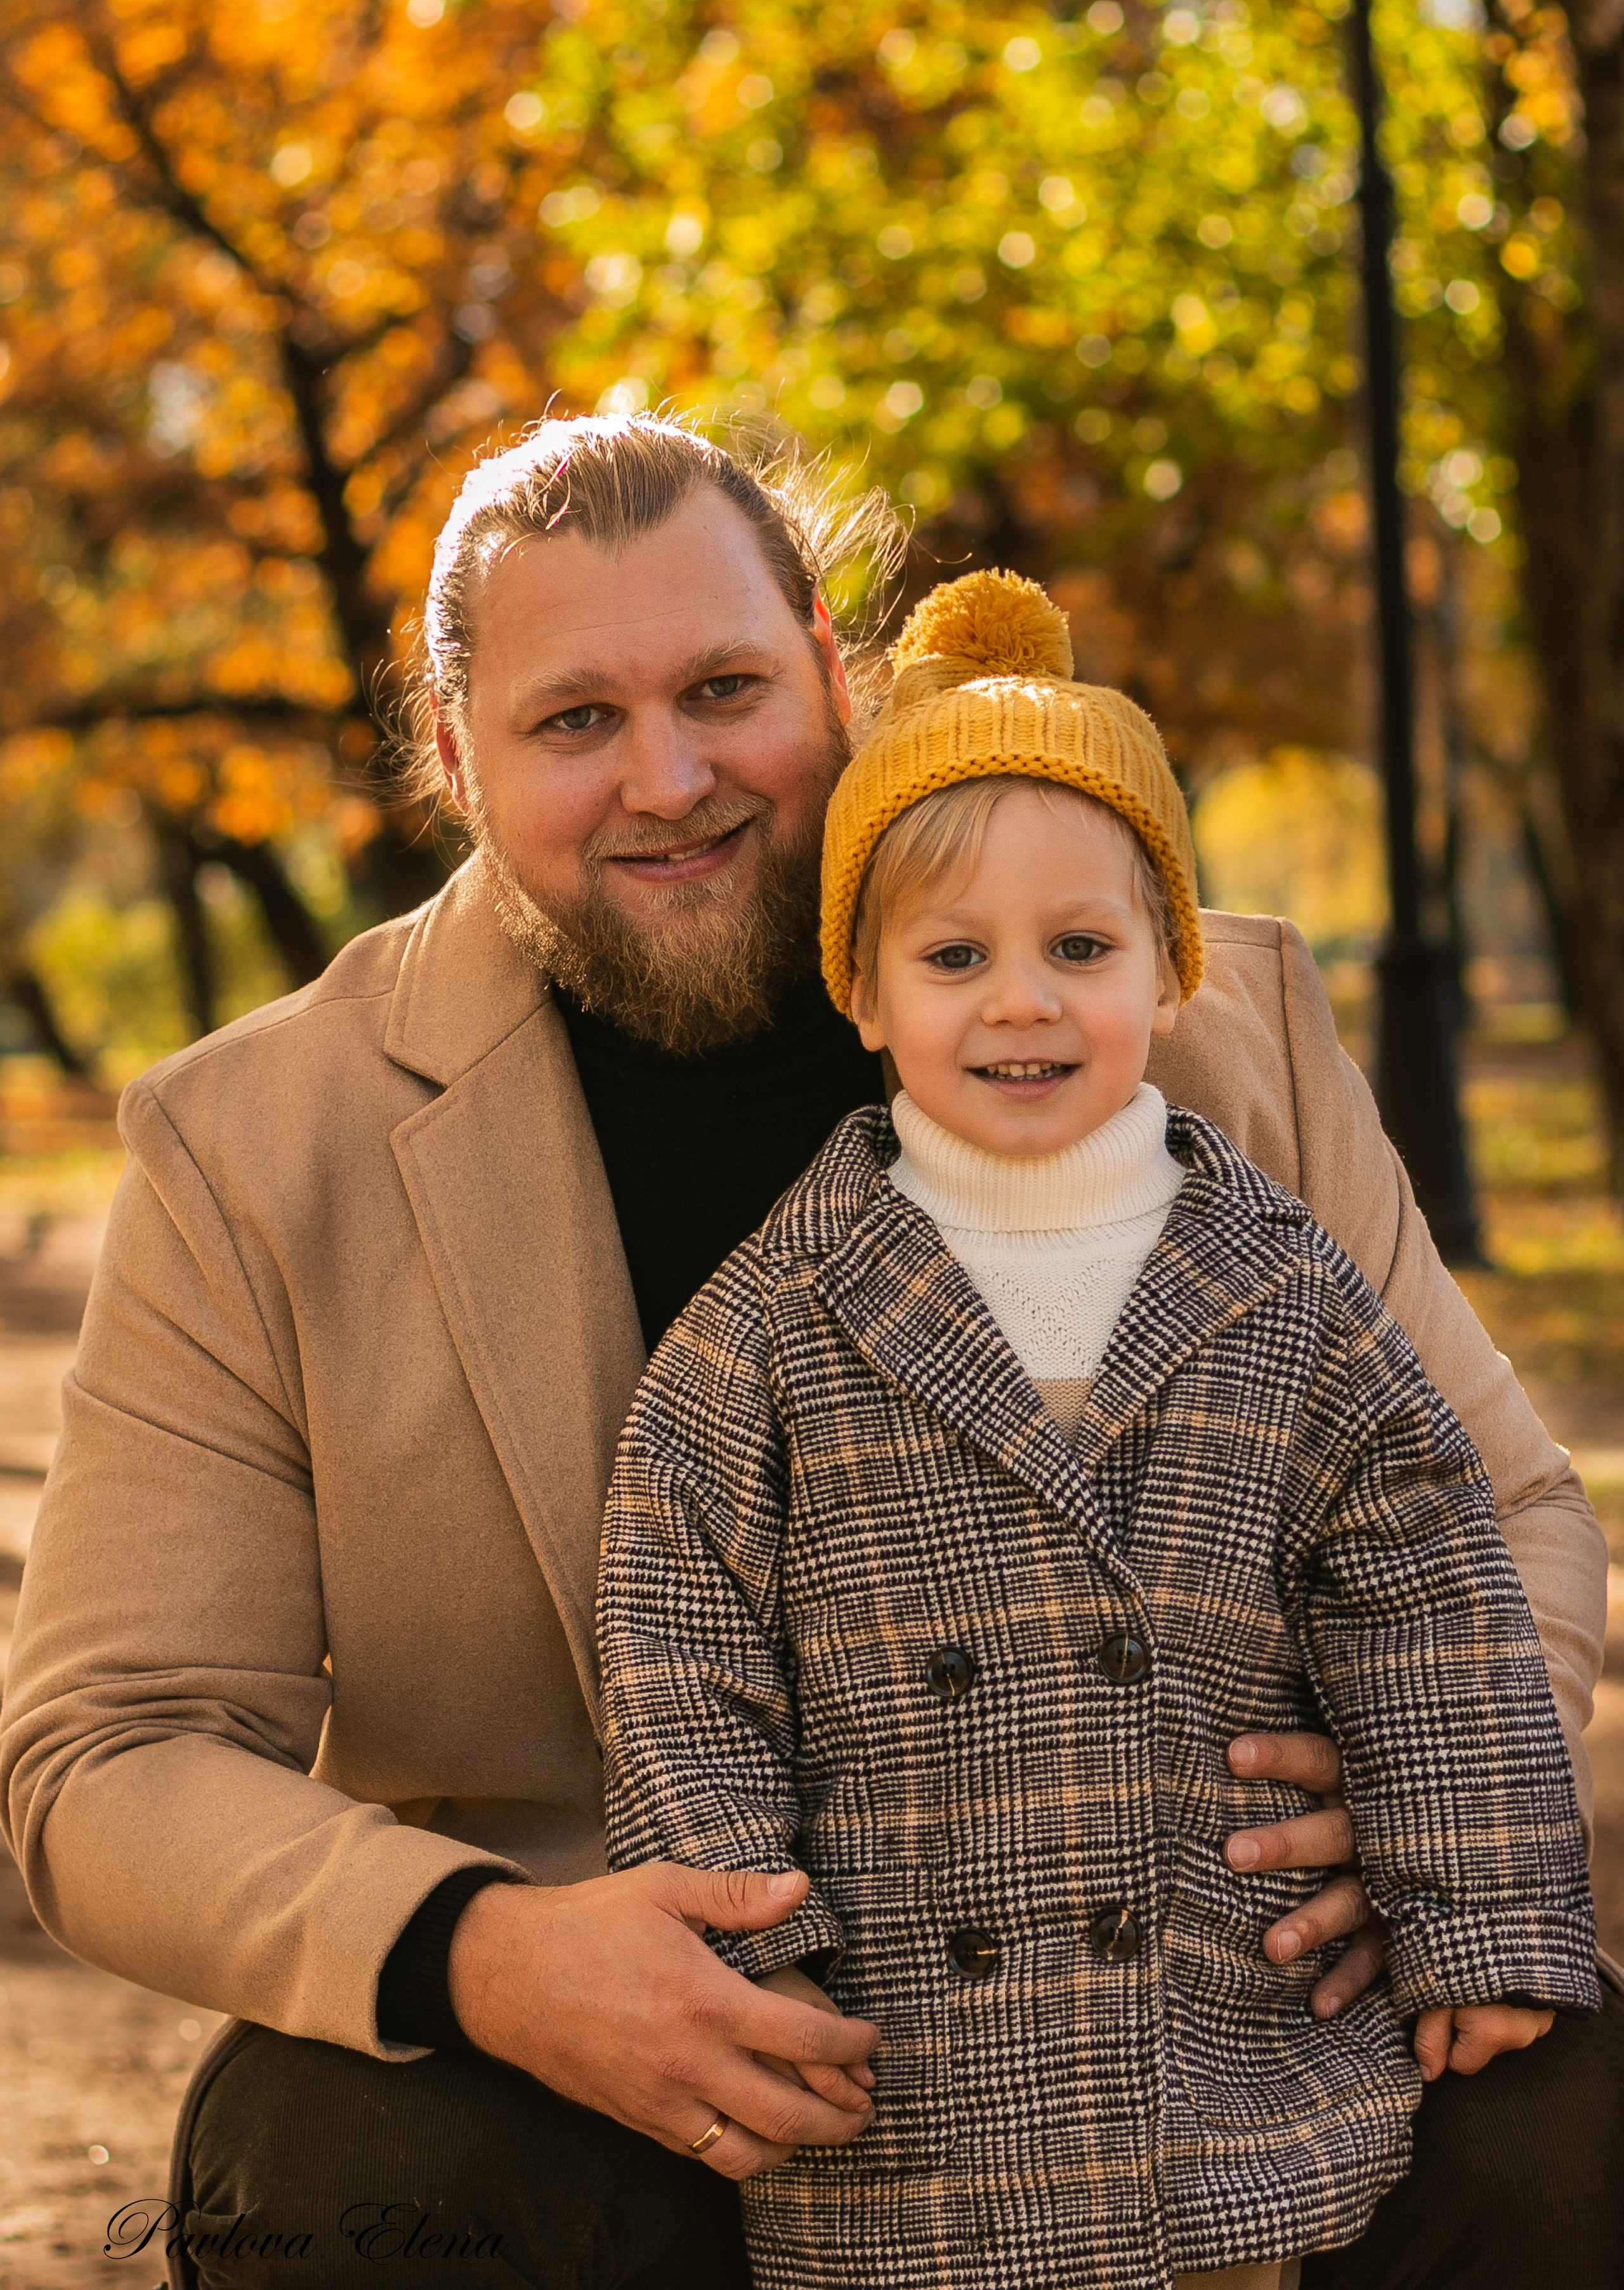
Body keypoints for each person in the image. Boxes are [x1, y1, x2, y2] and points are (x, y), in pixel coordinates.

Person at [0, 415, 1615, 2290]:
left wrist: (1405, 1787)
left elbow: (1497, 1504)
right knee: (336, 2162)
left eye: (724, 688)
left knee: (1573, 2101)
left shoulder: (1207, 1020)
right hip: (641, 2035)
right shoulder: (255, 1149)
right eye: (573, 721)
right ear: (455, 758)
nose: (669, 778)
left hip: (1208, 1984)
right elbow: (109, 1753)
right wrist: (482, 1953)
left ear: (833, 675)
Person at [596, 569, 1599, 2290]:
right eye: (954, 957)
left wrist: (1480, 1907)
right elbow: (681, 1642)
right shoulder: (772, 1318)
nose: (1022, 1002)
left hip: (1219, 2044)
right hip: (904, 2075)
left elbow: (1430, 1588)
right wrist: (748, 1951)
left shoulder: (1277, 1285)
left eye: (1083, 949)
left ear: (1169, 966)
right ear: (864, 994)